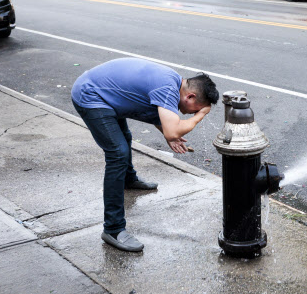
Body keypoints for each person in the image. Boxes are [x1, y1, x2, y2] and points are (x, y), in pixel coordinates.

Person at [71, 58, 219, 252]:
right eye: (196, 109)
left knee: (125, 137)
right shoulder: (167, 88)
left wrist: (167, 131)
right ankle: (113, 229)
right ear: (190, 97)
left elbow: (156, 112)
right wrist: (198, 117)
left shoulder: (173, 82)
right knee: (118, 153)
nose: (194, 114)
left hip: (104, 91)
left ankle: (128, 179)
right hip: (91, 95)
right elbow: (173, 131)